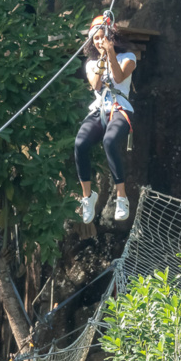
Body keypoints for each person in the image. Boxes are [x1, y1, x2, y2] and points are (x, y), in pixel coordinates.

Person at [75, 15, 136, 223]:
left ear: (111, 37)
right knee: (80, 143)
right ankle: (87, 196)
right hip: (100, 109)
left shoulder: (128, 57)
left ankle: (121, 196)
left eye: (103, 37)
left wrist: (110, 53)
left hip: (120, 108)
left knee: (109, 141)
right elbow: (96, 85)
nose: (100, 42)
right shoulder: (92, 63)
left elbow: (119, 78)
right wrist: (102, 59)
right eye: (96, 39)